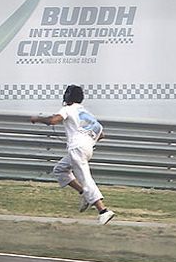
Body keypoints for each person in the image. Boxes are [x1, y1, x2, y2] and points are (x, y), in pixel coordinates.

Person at [30, 85, 115, 225]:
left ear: (68, 97)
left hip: (77, 148)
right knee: (60, 169)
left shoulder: (68, 109)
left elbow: (53, 120)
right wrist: (88, 140)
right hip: (87, 148)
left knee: (85, 178)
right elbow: (102, 134)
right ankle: (84, 194)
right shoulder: (87, 113)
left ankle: (103, 211)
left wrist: (37, 119)